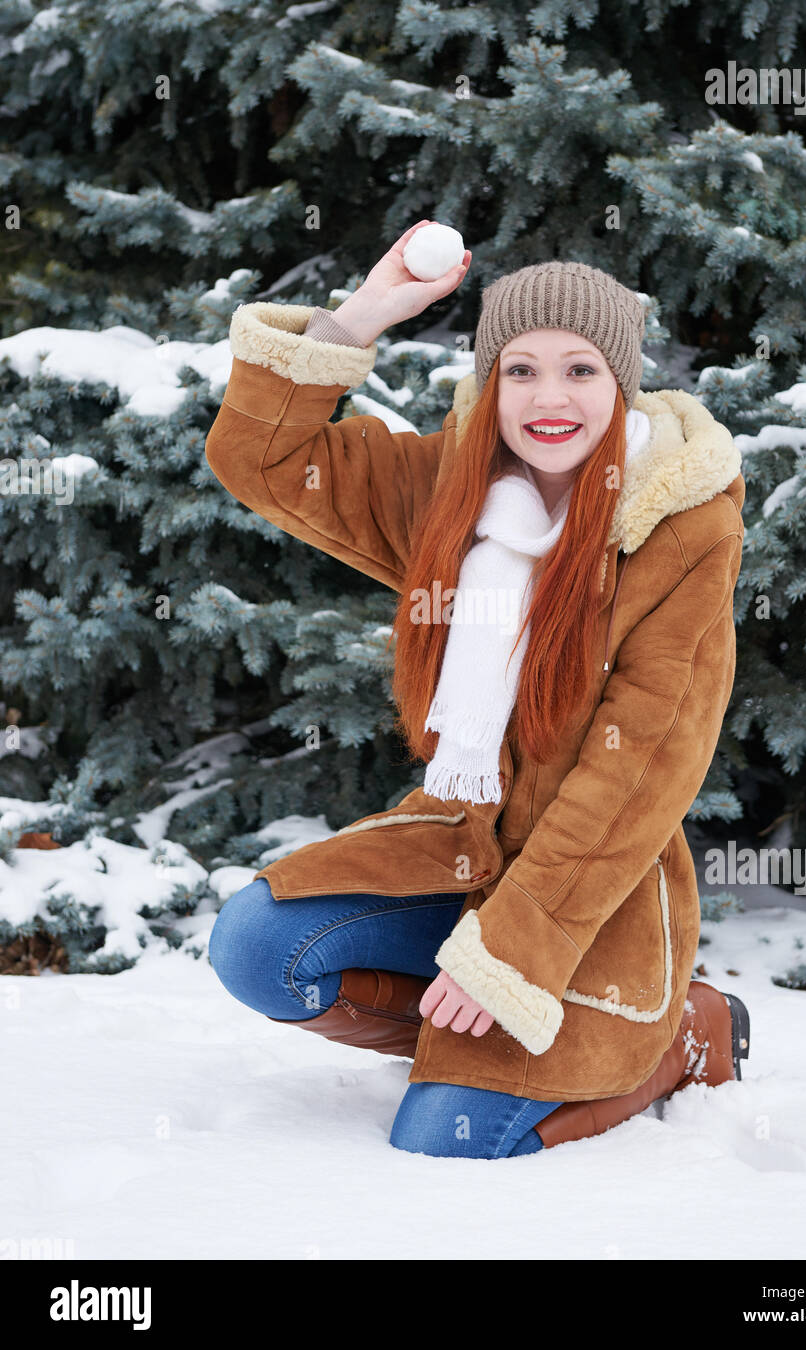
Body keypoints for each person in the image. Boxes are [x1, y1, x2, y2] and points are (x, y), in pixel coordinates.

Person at [204, 220, 750, 1160]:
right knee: (258, 948)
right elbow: (259, 461)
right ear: (490, 381)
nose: (550, 398)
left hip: (586, 897)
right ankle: (450, 1035)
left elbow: (646, 767)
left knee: (445, 1141)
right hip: (457, 846)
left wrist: (513, 949)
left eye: (580, 370)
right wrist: (368, 311)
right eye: (521, 369)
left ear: (622, 384)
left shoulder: (680, 527)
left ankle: (682, 1034)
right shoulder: (447, 488)